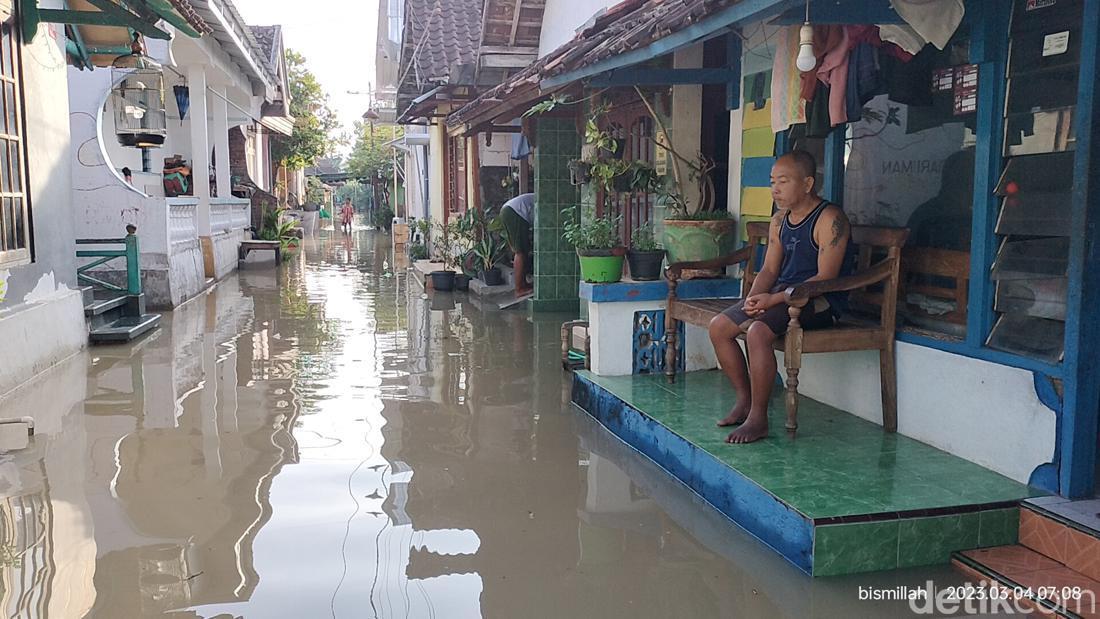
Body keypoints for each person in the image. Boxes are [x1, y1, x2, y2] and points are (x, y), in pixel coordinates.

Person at [708, 151, 852, 444]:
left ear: (808, 183)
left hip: (819, 300)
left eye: (783, 181)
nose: (775, 189)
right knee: (719, 326)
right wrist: (754, 297)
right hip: (782, 296)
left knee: (758, 332)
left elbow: (826, 278)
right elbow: (770, 268)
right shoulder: (779, 221)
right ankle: (745, 401)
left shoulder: (830, 218)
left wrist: (773, 301)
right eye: (773, 181)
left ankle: (759, 418)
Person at [501, 193, 535, 296]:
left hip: (510, 210)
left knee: (522, 251)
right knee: (520, 252)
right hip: (515, 212)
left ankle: (523, 285)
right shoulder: (547, 202)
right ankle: (519, 289)